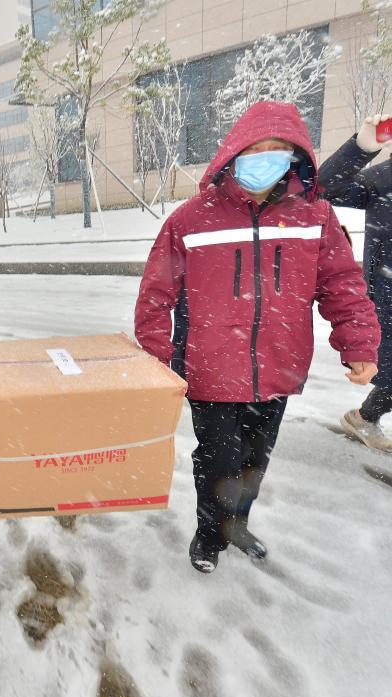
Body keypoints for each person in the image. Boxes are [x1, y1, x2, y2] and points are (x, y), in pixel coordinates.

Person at [135, 102, 381, 574]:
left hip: (279, 365)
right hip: (209, 369)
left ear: (295, 157)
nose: (266, 157)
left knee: (253, 460)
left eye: (278, 149)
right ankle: (210, 535)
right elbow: (155, 295)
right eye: (256, 148)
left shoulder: (315, 216)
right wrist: (155, 359)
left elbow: (342, 284)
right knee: (217, 460)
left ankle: (237, 525)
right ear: (234, 152)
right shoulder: (191, 218)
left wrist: (358, 344)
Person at [317, 114, 392, 453]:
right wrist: (361, 147)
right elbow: (326, 188)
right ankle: (364, 417)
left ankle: (364, 416)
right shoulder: (385, 178)